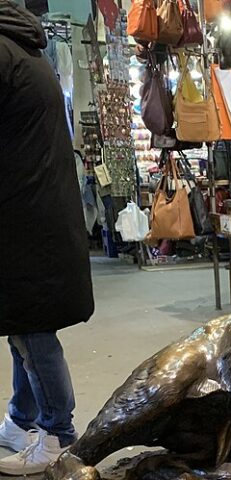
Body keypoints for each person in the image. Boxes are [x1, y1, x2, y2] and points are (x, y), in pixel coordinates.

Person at [0, 0, 94, 474]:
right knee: (23, 323)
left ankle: (58, 433)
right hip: (34, 209)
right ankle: (23, 419)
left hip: (25, 214)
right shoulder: (24, 48)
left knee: (33, 329)